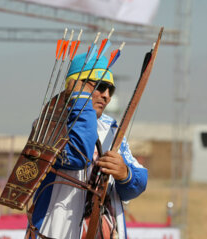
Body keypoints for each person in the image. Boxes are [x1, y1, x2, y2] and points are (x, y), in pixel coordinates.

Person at [29, 53, 148, 239]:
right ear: (76, 85)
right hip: (54, 231)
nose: (106, 96)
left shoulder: (111, 128)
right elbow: (78, 157)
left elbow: (139, 182)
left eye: (111, 90)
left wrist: (124, 174)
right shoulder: (48, 124)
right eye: (100, 87)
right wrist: (81, 100)